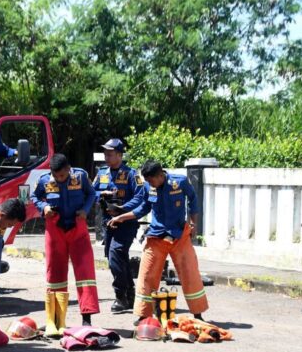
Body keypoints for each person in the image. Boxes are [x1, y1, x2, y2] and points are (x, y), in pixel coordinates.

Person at [108, 160, 208, 323]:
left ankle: (198, 314)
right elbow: (143, 208)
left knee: (190, 273)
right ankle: (143, 315)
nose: (149, 184)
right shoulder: (148, 187)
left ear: (160, 175)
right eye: (147, 181)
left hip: (179, 236)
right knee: (146, 275)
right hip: (156, 237)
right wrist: (121, 217)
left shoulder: (180, 181)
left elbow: (193, 199)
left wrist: (193, 223)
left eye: (151, 180)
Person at [31, 153, 99, 333]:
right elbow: (34, 196)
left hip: (78, 228)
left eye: (62, 175)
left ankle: (87, 318)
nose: (59, 179)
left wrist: (85, 210)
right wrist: (43, 207)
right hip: (55, 229)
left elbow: (92, 194)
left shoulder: (81, 176)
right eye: (56, 176)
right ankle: (55, 320)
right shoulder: (44, 180)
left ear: (69, 169)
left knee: (85, 272)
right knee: (55, 273)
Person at [92, 138, 147, 313]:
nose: (107, 157)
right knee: (115, 257)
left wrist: (122, 209)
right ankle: (130, 294)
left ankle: (120, 296)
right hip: (108, 223)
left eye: (110, 154)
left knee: (116, 254)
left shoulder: (132, 174)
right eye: (105, 153)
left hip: (126, 223)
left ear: (120, 155)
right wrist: (102, 193)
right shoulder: (101, 173)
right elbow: (90, 192)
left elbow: (140, 197)